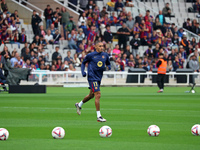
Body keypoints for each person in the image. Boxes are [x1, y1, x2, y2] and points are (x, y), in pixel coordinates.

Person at [75, 42, 111, 122]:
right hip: (92, 77)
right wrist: (83, 72)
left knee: (91, 95)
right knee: (98, 94)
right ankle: (99, 116)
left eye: (103, 46)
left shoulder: (105, 55)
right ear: (96, 47)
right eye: (100, 46)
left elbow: (108, 64)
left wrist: (108, 67)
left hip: (98, 78)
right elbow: (83, 63)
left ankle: (79, 104)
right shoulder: (91, 55)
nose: (102, 47)